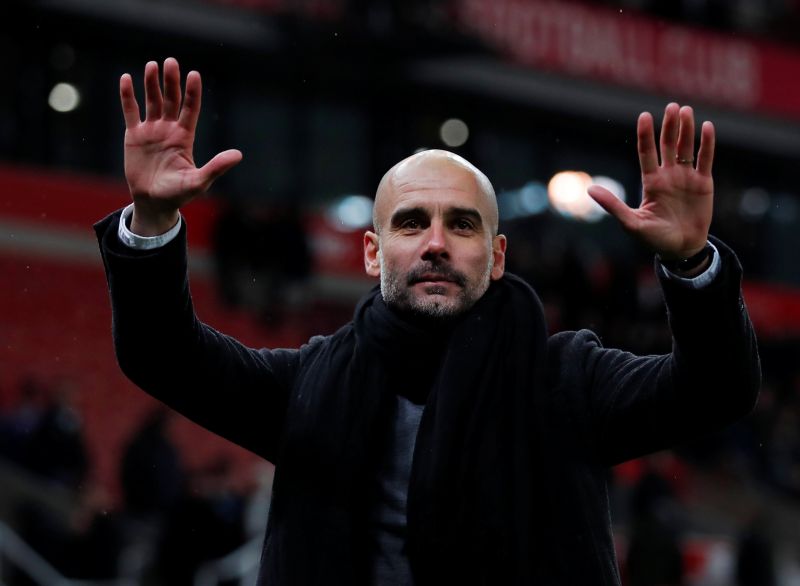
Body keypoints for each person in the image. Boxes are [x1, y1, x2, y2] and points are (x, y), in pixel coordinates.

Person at [95, 58, 760, 585]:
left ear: (497, 256)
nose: (436, 242)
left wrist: (692, 263)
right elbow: (163, 354)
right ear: (371, 250)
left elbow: (715, 389)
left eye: (461, 224)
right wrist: (152, 222)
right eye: (412, 223)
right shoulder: (309, 386)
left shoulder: (566, 382)